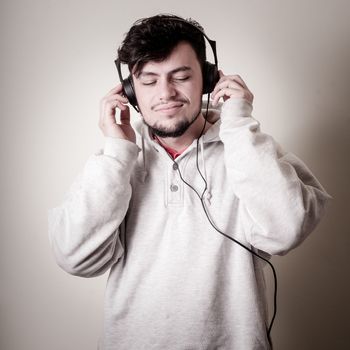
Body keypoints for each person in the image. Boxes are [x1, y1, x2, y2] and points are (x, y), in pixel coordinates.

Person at [48, 14, 331, 350]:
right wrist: (117, 152)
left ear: (209, 79)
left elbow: (286, 230)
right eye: (149, 81)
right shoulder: (116, 162)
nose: (165, 93)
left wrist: (238, 126)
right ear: (129, 91)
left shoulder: (248, 149)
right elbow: (74, 256)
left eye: (180, 77)